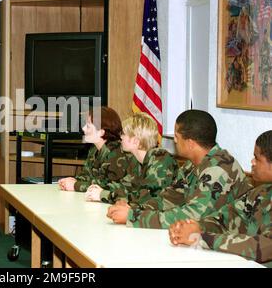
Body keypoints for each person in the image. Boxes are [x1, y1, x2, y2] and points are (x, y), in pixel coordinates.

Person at [106, 109, 252, 229]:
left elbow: (193, 215)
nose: (174, 141)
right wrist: (132, 208)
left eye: (176, 136)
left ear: (190, 143)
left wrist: (133, 217)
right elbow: (170, 198)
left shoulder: (218, 170)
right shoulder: (192, 164)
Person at [169, 130, 272, 263]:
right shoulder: (261, 193)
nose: (252, 162)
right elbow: (225, 219)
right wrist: (194, 227)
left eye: (257, 158)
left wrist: (202, 237)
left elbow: (264, 247)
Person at [85, 112, 177, 204]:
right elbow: (125, 186)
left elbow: (144, 199)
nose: (121, 137)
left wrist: (104, 195)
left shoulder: (160, 160)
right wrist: (97, 189)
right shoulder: (136, 160)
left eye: (124, 134)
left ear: (135, 141)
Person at [58, 107, 139, 193]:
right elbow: (87, 175)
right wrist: (72, 180)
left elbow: (107, 186)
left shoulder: (116, 152)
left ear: (101, 132)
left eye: (88, 126)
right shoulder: (94, 149)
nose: (83, 129)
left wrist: (75, 185)